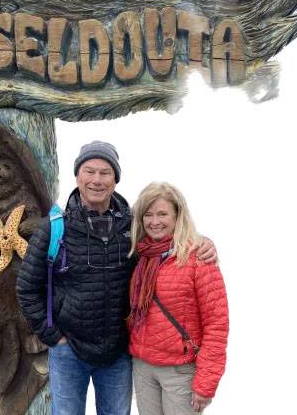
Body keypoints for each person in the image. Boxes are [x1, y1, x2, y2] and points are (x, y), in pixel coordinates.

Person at [16, 141, 217, 415]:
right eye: (90, 171)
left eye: (105, 172)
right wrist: (52, 335)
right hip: (68, 350)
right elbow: (27, 287)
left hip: (117, 352)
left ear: (115, 179)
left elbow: (168, 237)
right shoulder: (55, 227)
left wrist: (202, 242)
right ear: (78, 176)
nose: (97, 180)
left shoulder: (133, 225)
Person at [128, 182, 229, 415]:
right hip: (143, 367)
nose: (155, 221)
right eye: (148, 214)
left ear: (177, 216)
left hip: (180, 372)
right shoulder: (140, 255)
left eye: (162, 214)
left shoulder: (198, 258)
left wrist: (206, 383)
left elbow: (217, 324)